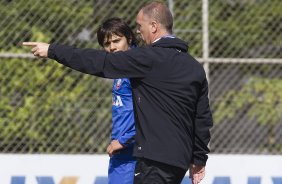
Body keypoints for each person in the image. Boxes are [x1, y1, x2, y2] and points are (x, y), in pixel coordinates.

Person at [23, 1, 213, 184]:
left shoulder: (148, 58)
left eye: (140, 26)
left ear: (154, 26)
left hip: (153, 159)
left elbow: (99, 62)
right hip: (178, 161)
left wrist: (53, 50)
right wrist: (199, 158)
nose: (138, 31)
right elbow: (202, 117)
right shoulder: (194, 67)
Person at [97, 17, 137, 184]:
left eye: (116, 41)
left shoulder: (138, 67)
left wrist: (123, 140)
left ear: (129, 38)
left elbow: (152, 113)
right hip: (122, 154)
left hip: (134, 154)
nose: (112, 47)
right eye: (107, 44)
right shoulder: (120, 69)